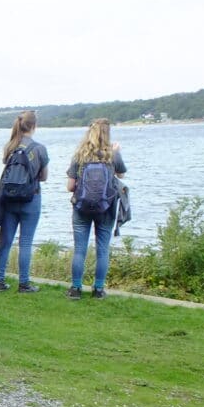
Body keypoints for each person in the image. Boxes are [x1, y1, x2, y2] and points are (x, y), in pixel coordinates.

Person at [66, 118, 127, 299]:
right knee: (102, 249)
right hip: (106, 207)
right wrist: (117, 152)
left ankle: (76, 289)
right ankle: (98, 290)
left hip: (81, 207)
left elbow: (70, 186)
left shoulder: (80, 155)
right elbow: (121, 173)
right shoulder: (112, 154)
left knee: (79, 249)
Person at [0, 110, 49, 293]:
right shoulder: (39, 149)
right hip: (31, 198)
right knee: (25, 242)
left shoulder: (10, 146)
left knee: (6, 241)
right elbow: (44, 177)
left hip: (9, 199)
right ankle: (24, 283)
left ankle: (0, 281)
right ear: (34, 126)